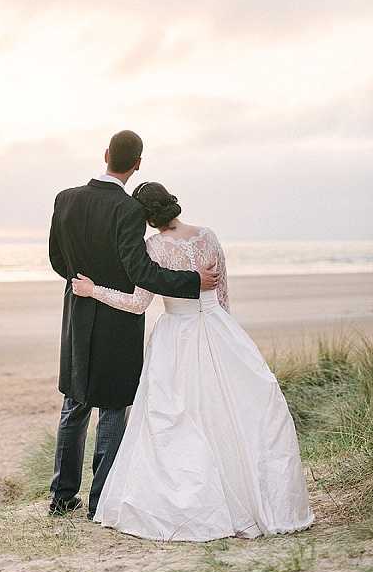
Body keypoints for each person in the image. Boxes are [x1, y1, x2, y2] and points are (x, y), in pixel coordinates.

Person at [71, 181, 314, 541]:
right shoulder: (208, 236)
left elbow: (139, 304)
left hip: (178, 335)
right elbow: (224, 293)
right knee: (233, 414)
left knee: (179, 418)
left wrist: (93, 291)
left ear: (145, 217)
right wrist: (228, 339)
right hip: (218, 328)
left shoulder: (152, 246)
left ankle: (195, 507)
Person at [48, 131, 219, 520]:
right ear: (138, 163)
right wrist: (193, 281)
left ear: (105, 154)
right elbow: (140, 270)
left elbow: (57, 260)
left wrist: (82, 283)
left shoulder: (65, 198)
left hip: (78, 310)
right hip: (118, 321)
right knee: (111, 408)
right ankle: (100, 501)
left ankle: (61, 497)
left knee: (74, 402)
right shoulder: (128, 210)